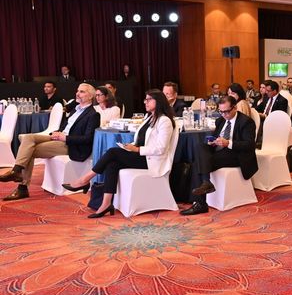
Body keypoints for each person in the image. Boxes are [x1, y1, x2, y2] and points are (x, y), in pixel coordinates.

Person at [62, 89, 175, 218]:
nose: (145, 102)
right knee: (112, 164)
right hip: (141, 155)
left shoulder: (164, 121)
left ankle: (85, 179)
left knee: (112, 152)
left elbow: (161, 148)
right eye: (145, 99)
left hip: (152, 160)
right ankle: (106, 203)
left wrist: (137, 150)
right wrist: (130, 146)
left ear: (158, 101)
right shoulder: (148, 117)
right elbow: (141, 140)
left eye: (149, 99)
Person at [0, 83, 100, 201]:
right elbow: (66, 127)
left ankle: (22, 186)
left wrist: (65, 138)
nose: (77, 94)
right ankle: (16, 171)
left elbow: (88, 139)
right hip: (60, 137)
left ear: (90, 96)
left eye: (82, 92)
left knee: (29, 150)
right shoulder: (75, 109)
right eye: (77, 91)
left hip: (71, 145)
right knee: (27, 138)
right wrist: (57, 132)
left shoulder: (93, 114)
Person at [180, 96, 258, 216]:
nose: (224, 115)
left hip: (238, 155)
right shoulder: (220, 120)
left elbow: (249, 145)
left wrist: (228, 143)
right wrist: (212, 142)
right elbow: (216, 137)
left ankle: (201, 202)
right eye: (221, 111)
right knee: (200, 147)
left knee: (198, 163)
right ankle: (206, 184)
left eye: (226, 111)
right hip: (220, 150)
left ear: (235, 108)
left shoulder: (246, 122)